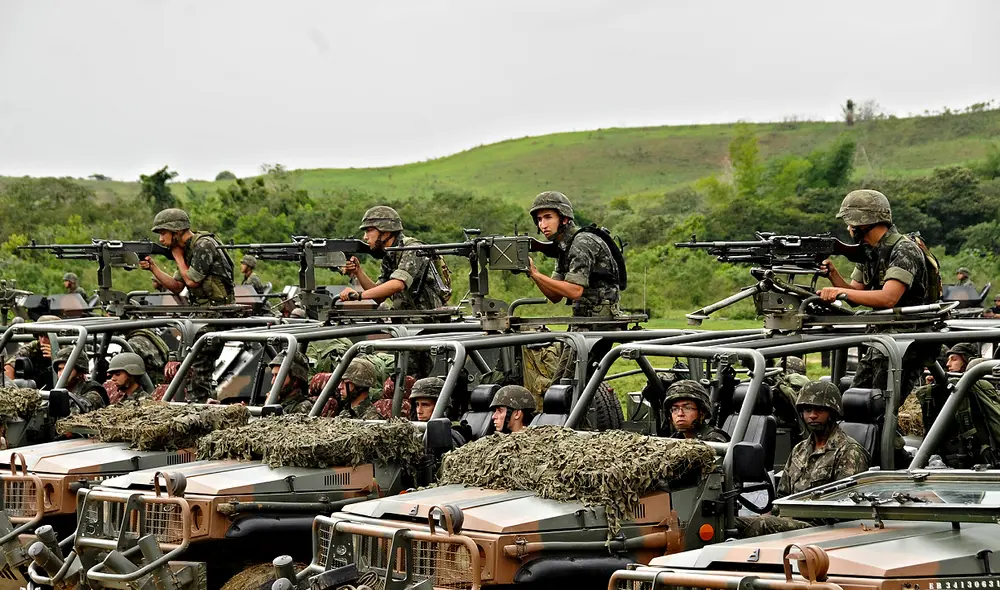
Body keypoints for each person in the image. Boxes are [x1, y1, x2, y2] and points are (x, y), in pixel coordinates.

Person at [818, 189, 935, 396]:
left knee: (880, 410)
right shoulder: (870, 252)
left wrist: (836, 291)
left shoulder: (903, 250)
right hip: (882, 340)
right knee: (856, 401)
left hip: (904, 344)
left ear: (862, 222)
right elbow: (854, 294)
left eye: (850, 222)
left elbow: (888, 298)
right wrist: (833, 275)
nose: (848, 228)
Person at [140, 208, 235, 402]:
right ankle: (200, 401)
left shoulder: (203, 246)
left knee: (198, 362)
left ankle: (199, 404)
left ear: (176, 231)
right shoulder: (187, 250)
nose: (161, 239)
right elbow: (176, 286)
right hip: (203, 313)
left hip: (219, 312)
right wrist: (153, 268)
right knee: (186, 358)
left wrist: (177, 255)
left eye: (163, 233)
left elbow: (192, 282)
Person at [526, 191, 622, 317]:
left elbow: (574, 291)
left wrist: (536, 274)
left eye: (548, 217)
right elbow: (555, 296)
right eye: (539, 219)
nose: (543, 225)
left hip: (602, 322)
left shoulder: (582, 242)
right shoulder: (563, 246)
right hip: (584, 319)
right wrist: (531, 271)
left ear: (564, 219)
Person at [338, 206, 448, 310]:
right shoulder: (390, 255)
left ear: (385, 231)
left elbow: (398, 284)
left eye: (369, 230)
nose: (365, 237)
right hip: (407, 319)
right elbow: (379, 297)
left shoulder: (412, 249)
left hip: (427, 319)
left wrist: (359, 295)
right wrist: (358, 272)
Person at [776, 381, 869, 497]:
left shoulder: (849, 452)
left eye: (819, 410)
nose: (812, 415)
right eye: (808, 410)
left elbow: (846, 503)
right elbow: (782, 496)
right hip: (790, 512)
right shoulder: (799, 450)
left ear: (833, 413)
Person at [914, 344, 1000, 468]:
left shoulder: (979, 387)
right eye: (948, 360)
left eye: (954, 359)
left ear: (966, 360)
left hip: (979, 460)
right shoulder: (941, 390)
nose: (948, 364)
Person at [3, 315, 61, 387]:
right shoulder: (33, 347)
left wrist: (56, 358)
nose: (43, 340)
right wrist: (12, 390)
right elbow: (9, 368)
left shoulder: (67, 349)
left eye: (47, 336)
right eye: (40, 335)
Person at [664, 380, 729, 443]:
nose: (680, 414)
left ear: (702, 413)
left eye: (687, 408)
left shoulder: (715, 439)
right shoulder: (677, 437)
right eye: (675, 409)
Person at [52, 347, 108, 413]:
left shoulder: (92, 390)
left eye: (66, 369)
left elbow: (81, 408)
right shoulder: (61, 389)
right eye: (59, 369)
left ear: (80, 371)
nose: (61, 373)